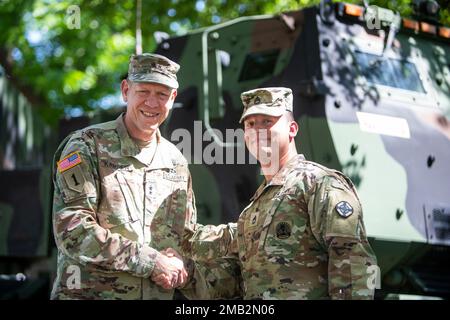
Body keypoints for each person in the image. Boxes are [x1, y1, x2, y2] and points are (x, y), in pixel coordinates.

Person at [50, 53, 241, 299]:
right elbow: (73, 231)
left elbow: (185, 238)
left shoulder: (175, 162)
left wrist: (243, 233)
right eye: (143, 91)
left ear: (173, 98)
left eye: (162, 94)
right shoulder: (86, 146)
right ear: (126, 90)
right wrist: (152, 262)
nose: (152, 103)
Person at [159, 87, 378, 299]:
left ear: (292, 129)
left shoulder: (319, 184)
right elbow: (241, 278)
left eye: (268, 122)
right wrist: (184, 271)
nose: (257, 130)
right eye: (251, 124)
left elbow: (354, 262)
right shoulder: (256, 207)